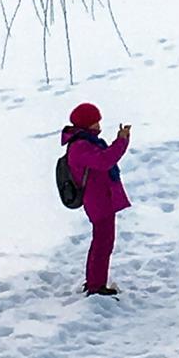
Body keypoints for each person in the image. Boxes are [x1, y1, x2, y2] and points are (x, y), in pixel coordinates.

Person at [61, 103, 131, 296]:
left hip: (101, 198)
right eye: (95, 122)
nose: (99, 126)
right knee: (103, 243)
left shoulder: (86, 142)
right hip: (98, 201)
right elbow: (105, 160)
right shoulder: (81, 146)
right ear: (86, 124)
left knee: (102, 241)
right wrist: (122, 142)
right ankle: (96, 285)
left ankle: (95, 281)